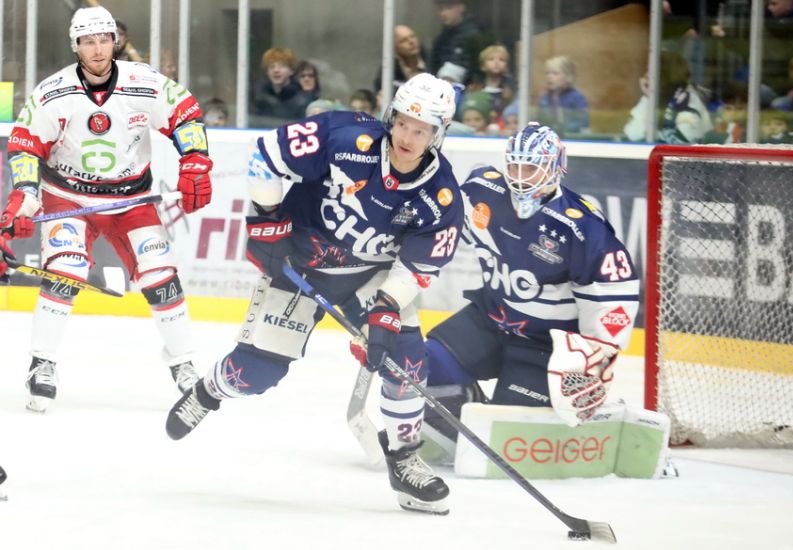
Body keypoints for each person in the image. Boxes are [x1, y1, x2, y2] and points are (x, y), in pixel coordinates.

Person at [165, 73, 462, 516]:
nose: (406, 136)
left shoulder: (441, 195)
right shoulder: (345, 137)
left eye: (420, 130)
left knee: (407, 361)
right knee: (255, 373)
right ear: (390, 116)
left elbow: (417, 265)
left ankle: (404, 460)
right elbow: (266, 155)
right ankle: (209, 391)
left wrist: (386, 309)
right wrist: (267, 218)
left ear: (438, 134)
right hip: (301, 263)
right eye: (402, 123)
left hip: (370, 275)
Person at [0, 6, 213, 412]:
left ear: (115, 41)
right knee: (65, 272)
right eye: (88, 42)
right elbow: (26, 145)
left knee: (161, 276)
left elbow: (185, 115)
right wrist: (24, 196)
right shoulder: (51, 92)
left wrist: (196, 162)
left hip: (130, 200)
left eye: (104, 40)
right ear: (75, 45)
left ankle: (183, 363)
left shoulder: (144, 82)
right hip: (68, 198)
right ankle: (42, 363)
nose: (97, 49)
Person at [422, 122, 639, 441]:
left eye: (531, 168)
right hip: (491, 320)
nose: (521, 177)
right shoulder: (482, 191)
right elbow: (436, 223)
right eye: (515, 166)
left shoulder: (582, 228)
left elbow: (613, 297)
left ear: (555, 167)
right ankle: (459, 424)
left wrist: (595, 360)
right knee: (428, 361)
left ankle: (486, 426)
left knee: (506, 429)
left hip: (544, 345)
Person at [430, 0, 493, 83]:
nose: (444, 14)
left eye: (449, 8)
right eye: (441, 9)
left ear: (461, 8)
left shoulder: (475, 35)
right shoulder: (441, 39)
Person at [251, 47, 310, 123]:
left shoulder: (302, 101)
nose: (276, 70)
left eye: (282, 66)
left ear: (291, 71)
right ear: (267, 72)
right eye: (271, 66)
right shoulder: (259, 98)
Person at [536, 55, 590, 135]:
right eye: (547, 73)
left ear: (569, 76)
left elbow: (583, 122)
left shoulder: (576, 97)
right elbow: (540, 120)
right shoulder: (544, 98)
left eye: (555, 73)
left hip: (571, 138)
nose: (549, 77)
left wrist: (561, 129)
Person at [373, 25, 428, 95]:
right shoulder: (388, 73)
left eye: (412, 36)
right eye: (403, 40)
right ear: (395, 48)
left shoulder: (433, 61)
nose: (411, 42)